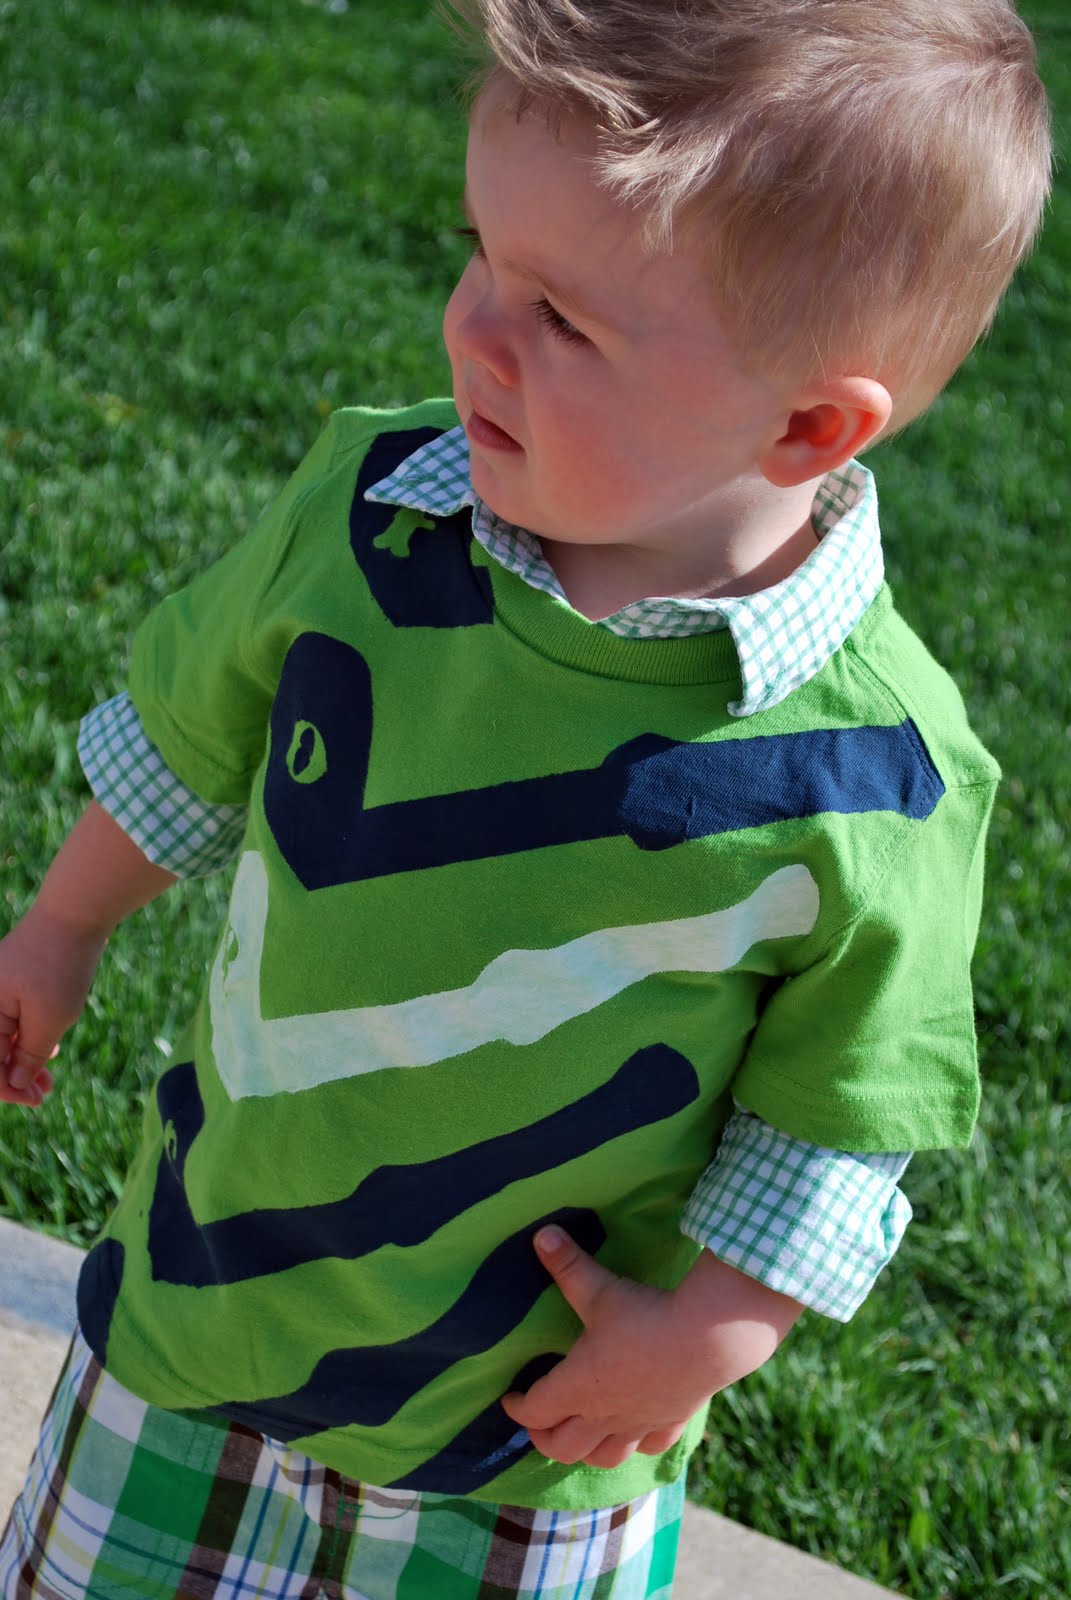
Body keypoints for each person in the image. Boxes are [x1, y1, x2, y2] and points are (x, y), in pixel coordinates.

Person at [0, 1, 1051, 1595]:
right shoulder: (373, 514)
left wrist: (705, 1334)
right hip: (200, 1323)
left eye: (562, 319)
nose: (471, 329)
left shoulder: (873, 776)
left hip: (531, 1441)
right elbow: (188, 731)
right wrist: (64, 926)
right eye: (480, 253)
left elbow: (840, 1115)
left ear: (809, 425)